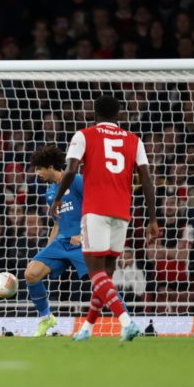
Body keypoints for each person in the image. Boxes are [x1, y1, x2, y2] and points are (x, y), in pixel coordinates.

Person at [50, 95, 158, 342]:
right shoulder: (134, 139)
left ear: (95, 114)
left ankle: (127, 321)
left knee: (95, 271)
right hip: (122, 213)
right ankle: (87, 328)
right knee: (105, 277)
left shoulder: (84, 135)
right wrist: (152, 219)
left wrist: (57, 198)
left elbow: (71, 169)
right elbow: (147, 180)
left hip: (96, 210)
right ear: (119, 115)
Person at [25, 145, 88, 337]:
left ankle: (126, 319)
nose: (37, 173)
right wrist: (47, 250)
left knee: (101, 283)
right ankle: (46, 318)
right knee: (31, 274)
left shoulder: (76, 180)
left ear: (51, 166)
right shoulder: (50, 193)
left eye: (39, 168)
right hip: (61, 243)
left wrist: (84, 234)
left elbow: (93, 208)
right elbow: (56, 224)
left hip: (83, 242)